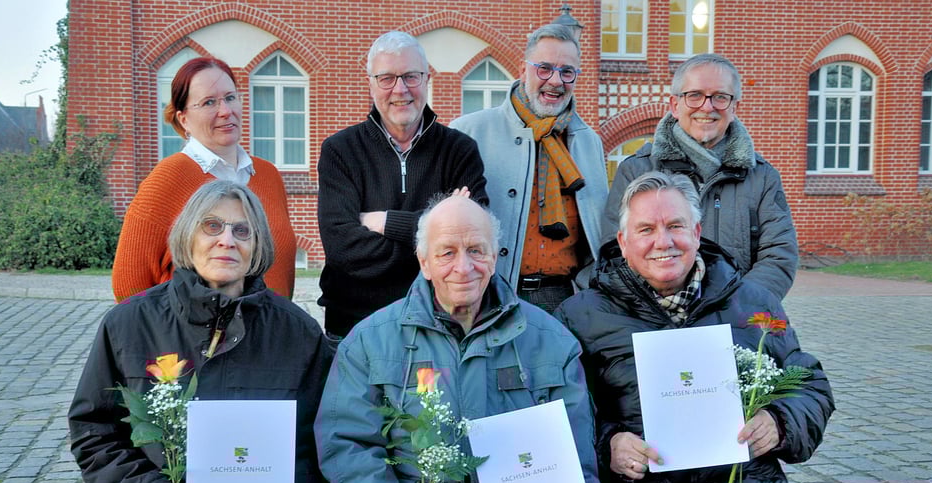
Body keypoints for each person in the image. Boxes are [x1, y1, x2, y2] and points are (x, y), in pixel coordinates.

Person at [555, 171, 833, 483]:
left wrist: (780, 422)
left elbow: (809, 384)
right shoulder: (582, 315)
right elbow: (564, 412)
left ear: (697, 231)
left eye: (675, 226)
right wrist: (609, 444)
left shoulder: (751, 303)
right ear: (623, 241)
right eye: (646, 229)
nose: (662, 242)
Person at [315, 195, 602, 483]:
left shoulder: (549, 340)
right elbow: (347, 444)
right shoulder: (370, 341)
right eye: (446, 252)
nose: (463, 267)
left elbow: (576, 448)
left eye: (476, 250)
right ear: (424, 263)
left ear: (495, 256)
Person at [70, 181, 334, 483]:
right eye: (212, 226)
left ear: (257, 246)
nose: (227, 240)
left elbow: (327, 435)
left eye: (242, 231)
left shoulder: (297, 332)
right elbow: (94, 433)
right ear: (187, 236)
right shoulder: (129, 325)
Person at [317, 30, 488, 338]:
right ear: (371, 83)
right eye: (387, 78)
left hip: (438, 327)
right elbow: (342, 249)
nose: (400, 89)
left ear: (426, 79)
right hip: (354, 327)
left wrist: (385, 222)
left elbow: (474, 239)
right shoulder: (340, 151)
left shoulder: (460, 150)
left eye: (411, 76)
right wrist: (437, 241)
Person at [604, 54, 798, 300]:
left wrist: (736, 306)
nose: (707, 107)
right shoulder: (636, 171)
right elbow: (613, 251)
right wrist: (664, 309)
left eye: (720, 97)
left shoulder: (761, 177)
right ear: (675, 105)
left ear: (734, 107)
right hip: (656, 321)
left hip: (736, 320)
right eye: (694, 95)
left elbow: (778, 255)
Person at [451, 23, 608, 313]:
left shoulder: (589, 142)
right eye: (544, 68)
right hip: (493, 295)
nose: (556, 81)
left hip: (570, 298)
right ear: (523, 71)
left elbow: (600, 233)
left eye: (567, 71)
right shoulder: (469, 133)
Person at [112, 56, 296, 303]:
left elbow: (281, 272)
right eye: (209, 102)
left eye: (230, 98)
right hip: (195, 338)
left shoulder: (268, 175)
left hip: (268, 333)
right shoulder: (168, 178)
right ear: (183, 118)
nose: (225, 111)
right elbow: (128, 284)